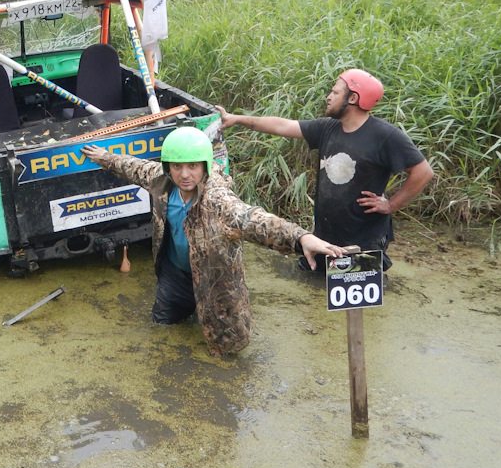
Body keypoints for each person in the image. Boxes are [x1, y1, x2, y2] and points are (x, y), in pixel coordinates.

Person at [82, 127, 344, 356]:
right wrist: (104, 158)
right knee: (163, 326)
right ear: (168, 167)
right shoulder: (162, 182)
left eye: (193, 166)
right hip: (174, 274)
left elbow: (254, 220)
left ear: (205, 166)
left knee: (228, 347)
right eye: (177, 167)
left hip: (215, 282)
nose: (185, 174)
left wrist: (301, 237)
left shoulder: (218, 201)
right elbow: (134, 167)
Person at [216, 68, 433, 271]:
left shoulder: (384, 135)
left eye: (334, 92)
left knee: (357, 295)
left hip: (364, 239)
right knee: (317, 284)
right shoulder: (327, 128)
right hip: (325, 237)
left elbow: (423, 172)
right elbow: (282, 125)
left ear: (353, 98)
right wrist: (237, 119)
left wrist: (391, 204)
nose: (328, 96)